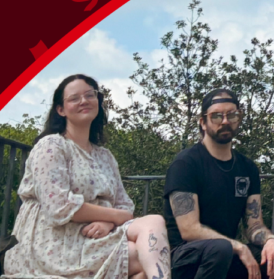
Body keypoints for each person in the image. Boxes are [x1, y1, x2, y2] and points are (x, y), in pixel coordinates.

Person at [3, 74, 170, 279]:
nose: (83, 101)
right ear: (60, 110)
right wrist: (116, 217)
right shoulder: (51, 146)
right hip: (54, 243)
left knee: (154, 222)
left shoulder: (105, 156)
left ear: (98, 102)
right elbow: (59, 207)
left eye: (89, 95)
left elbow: (125, 205)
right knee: (143, 256)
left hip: (96, 238)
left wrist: (107, 223)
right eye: (74, 98)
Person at [163, 89, 274, 279]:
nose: (225, 121)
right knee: (220, 248)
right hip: (185, 259)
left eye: (231, 115)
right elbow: (189, 229)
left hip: (226, 254)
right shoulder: (186, 163)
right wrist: (238, 246)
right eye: (216, 116)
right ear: (203, 122)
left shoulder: (247, 167)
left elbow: (254, 226)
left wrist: (271, 240)